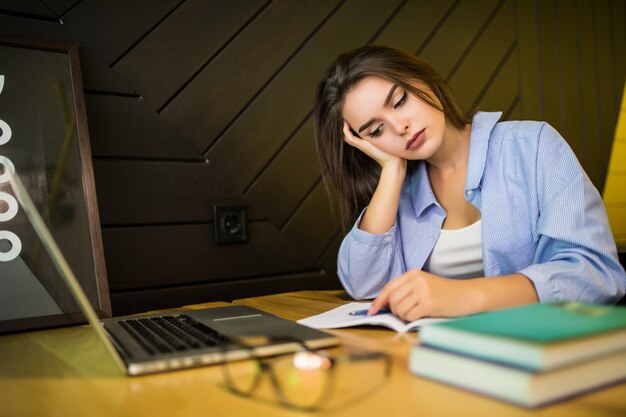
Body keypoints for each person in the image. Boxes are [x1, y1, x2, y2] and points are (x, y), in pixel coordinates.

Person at [313, 45, 626, 321]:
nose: (400, 126)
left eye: (399, 101)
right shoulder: (399, 194)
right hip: (440, 360)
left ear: (422, 79)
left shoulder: (533, 145)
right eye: (377, 130)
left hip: (547, 356)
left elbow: (597, 274)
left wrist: (464, 296)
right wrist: (392, 171)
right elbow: (361, 286)